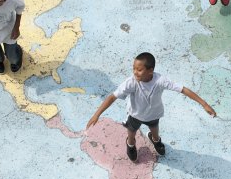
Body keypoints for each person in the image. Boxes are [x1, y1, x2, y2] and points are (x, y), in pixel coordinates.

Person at [86, 52, 217, 162]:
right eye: (134, 68)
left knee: (155, 130)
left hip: (154, 114)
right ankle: (130, 144)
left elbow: (183, 89)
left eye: (139, 69)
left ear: (150, 70)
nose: (135, 72)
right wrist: (96, 114)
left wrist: (204, 104)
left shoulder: (160, 81)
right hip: (135, 115)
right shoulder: (131, 83)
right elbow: (112, 97)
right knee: (131, 132)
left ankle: (155, 140)